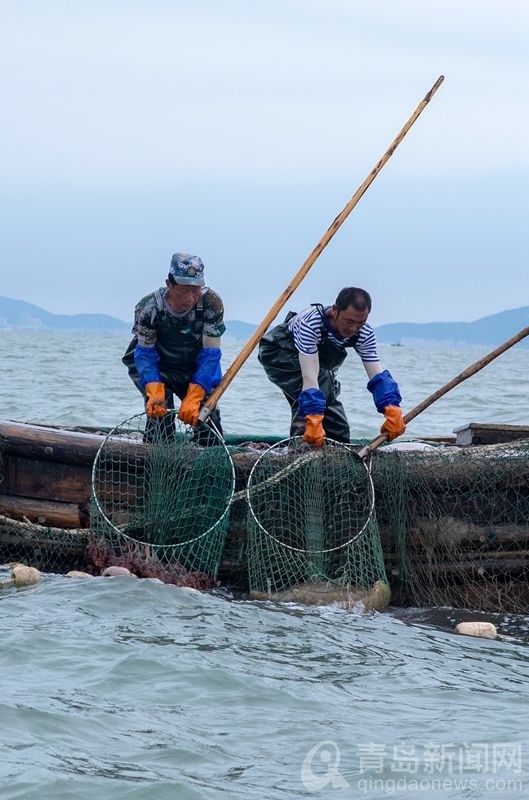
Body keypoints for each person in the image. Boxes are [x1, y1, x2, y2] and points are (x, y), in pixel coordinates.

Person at [258, 286, 405, 446]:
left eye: (361, 322)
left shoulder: (364, 333)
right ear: (334, 310)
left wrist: (391, 408)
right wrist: (313, 417)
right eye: (348, 321)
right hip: (278, 353)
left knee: (328, 390)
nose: (353, 328)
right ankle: (303, 445)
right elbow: (310, 376)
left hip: (317, 364)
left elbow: (376, 373)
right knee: (319, 388)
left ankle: (338, 446)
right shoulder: (310, 323)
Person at [122, 252, 225, 436]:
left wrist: (196, 393)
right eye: (184, 290)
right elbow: (145, 354)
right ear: (169, 284)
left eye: (195, 290)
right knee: (160, 416)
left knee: (208, 419)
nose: (190, 298)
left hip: (194, 366)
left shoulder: (212, 303)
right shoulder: (149, 308)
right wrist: (153, 387)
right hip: (158, 366)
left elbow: (210, 355)